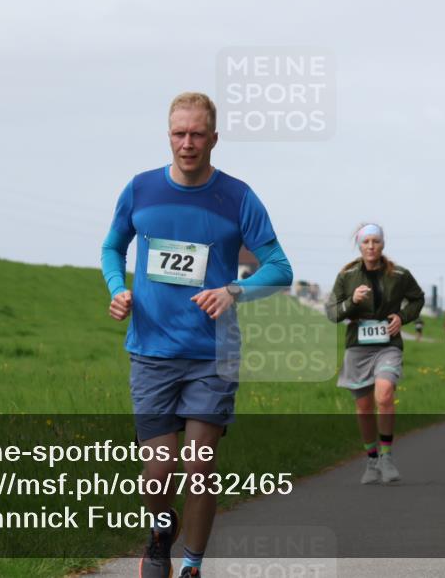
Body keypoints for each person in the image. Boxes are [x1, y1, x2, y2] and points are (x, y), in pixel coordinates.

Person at [101, 92, 293, 578]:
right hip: (151, 351)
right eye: (179, 133)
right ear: (168, 136)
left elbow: (279, 268)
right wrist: (118, 289)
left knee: (199, 465)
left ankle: (192, 565)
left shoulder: (238, 197)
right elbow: (112, 247)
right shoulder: (141, 189)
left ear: (214, 138)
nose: (187, 143)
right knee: (159, 470)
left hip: (212, 353)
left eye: (197, 134)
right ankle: (159, 537)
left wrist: (234, 290)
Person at [326, 223, 425, 485]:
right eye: (366, 242)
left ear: (383, 244)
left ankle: (387, 457)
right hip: (357, 348)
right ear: (359, 245)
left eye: (376, 241)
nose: (371, 246)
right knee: (364, 408)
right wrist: (352, 301)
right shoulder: (347, 276)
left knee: (385, 394)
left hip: (387, 345)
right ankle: (371, 459)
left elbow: (417, 299)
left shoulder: (399, 275)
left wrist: (401, 316)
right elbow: (332, 313)